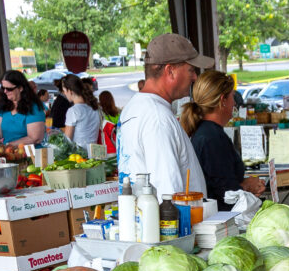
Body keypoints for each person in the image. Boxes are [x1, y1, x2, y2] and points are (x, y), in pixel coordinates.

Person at [118, 33, 210, 198]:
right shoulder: (157, 118)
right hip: (173, 221)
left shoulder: (133, 108)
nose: (195, 77)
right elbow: (168, 194)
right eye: (191, 69)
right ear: (171, 71)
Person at [180, 70, 265, 210]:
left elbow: (219, 180)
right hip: (220, 219)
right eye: (232, 97)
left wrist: (245, 184)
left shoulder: (206, 132)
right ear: (222, 100)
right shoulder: (211, 138)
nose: (234, 103)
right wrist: (247, 185)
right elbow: (225, 193)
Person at [0, 70, 46, 147]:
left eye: (9, 89)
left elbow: (35, 138)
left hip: (30, 156)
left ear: (20, 88)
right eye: (3, 88)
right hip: (8, 153)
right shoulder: (2, 106)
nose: (5, 91)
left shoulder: (33, 107)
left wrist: (9, 145)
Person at [62, 74, 101, 148]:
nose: (64, 94)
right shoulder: (95, 107)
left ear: (70, 91)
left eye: (64, 91)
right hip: (95, 154)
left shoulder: (73, 111)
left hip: (79, 156)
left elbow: (67, 141)